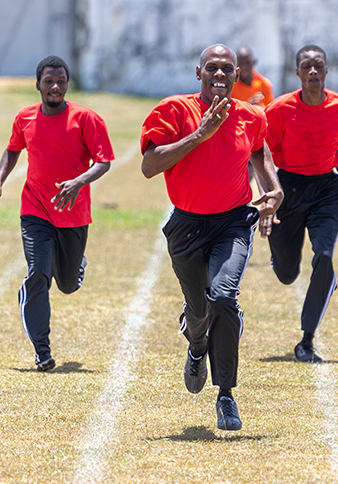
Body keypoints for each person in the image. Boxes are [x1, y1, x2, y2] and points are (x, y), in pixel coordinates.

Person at [140, 44, 283, 432]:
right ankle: (197, 344)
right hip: (186, 225)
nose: (220, 75)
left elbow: (261, 154)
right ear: (198, 72)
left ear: (237, 76)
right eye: (212, 68)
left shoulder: (251, 116)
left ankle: (225, 396)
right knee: (198, 308)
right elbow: (149, 166)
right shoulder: (172, 111)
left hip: (232, 223)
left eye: (227, 69)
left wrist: (275, 190)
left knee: (223, 296)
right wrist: (200, 135)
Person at [0, 55, 115, 372]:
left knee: (67, 285)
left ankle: (76, 265)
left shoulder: (86, 119)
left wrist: (79, 182)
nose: (55, 87)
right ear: (38, 85)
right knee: (39, 273)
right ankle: (42, 351)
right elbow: (13, 149)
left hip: (73, 213)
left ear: (67, 84)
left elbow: (103, 161)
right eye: (48, 81)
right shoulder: (25, 118)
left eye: (61, 81)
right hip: (36, 208)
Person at [264, 45, 338, 364]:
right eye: (306, 66)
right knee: (286, 273)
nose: (313, 72)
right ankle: (281, 260)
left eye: (318, 66)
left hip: (327, 191)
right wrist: (270, 195)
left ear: (326, 70)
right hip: (289, 188)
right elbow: (265, 155)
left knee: (324, 256)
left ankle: (306, 340)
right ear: (297, 73)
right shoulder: (278, 110)